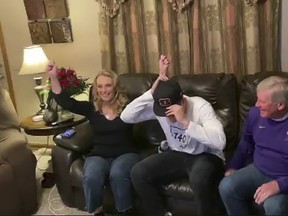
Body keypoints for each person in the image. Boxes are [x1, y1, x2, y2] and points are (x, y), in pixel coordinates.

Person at [120, 55, 226, 216]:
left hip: (206, 155)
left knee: (199, 179)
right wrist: (152, 91)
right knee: (138, 172)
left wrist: (185, 122)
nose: (167, 116)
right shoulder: (160, 108)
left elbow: (220, 143)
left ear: (182, 101)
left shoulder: (200, 106)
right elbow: (126, 116)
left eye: (170, 112)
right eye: (163, 112)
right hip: (176, 154)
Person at [47, 63, 140, 216]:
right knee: (91, 175)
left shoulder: (128, 107)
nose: (104, 90)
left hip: (126, 154)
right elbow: (65, 102)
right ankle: (97, 212)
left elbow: (150, 101)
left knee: (117, 174)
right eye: (100, 86)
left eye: (108, 86)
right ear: (96, 89)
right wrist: (53, 77)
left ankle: (124, 211)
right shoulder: (91, 108)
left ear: (115, 87)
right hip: (99, 155)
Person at [218, 76, 288, 216]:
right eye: (257, 99)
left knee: (274, 206)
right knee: (227, 186)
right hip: (259, 168)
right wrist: (234, 166)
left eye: (262, 101)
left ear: (280, 105)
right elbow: (246, 142)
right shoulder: (256, 114)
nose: (257, 105)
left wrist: (280, 184)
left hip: (284, 176)